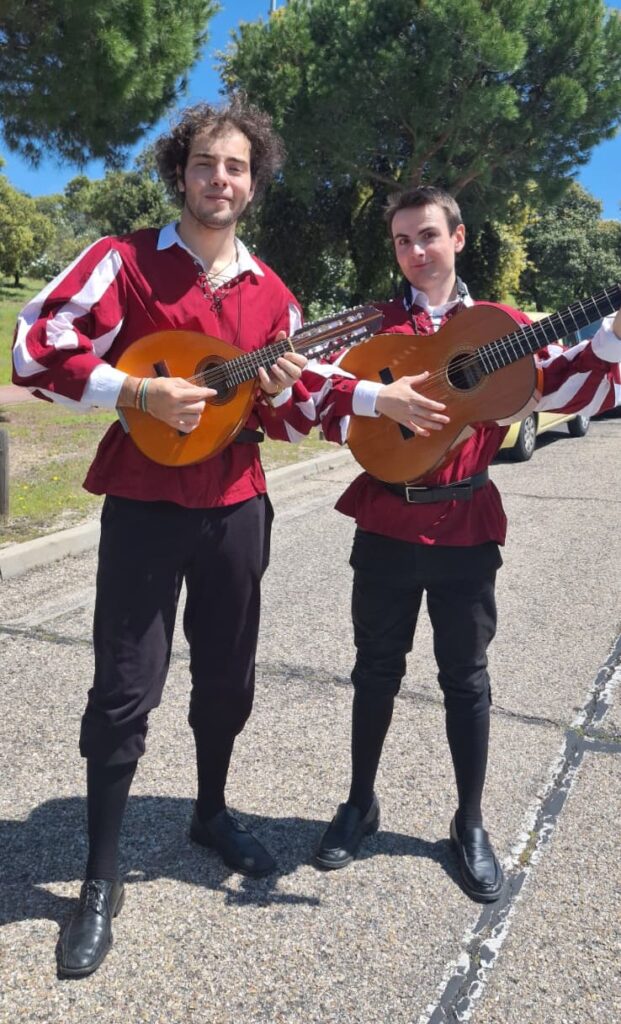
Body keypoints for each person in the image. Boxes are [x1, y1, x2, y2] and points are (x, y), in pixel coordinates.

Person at [12, 97, 315, 978]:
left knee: (227, 676)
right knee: (122, 689)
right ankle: (98, 879)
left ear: (253, 185)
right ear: (179, 172)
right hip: (144, 501)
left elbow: (292, 419)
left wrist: (285, 385)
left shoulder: (275, 296)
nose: (219, 180)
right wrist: (134, 392)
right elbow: (38, 346)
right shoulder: (125, 259)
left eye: (236, 168)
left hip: (237, 504)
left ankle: (209, 812)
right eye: (204, 164)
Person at [301, 186, 621, 901]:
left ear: (458, 238)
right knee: (374, 669)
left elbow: (565, 386)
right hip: (384, 518)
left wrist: (611, 337)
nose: (415, 252)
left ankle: (468, 823)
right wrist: (374, 400)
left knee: (465, 678)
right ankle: (359, 803)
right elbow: (321, 400)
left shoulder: (498, 323)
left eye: (427, 237)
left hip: (463, 524)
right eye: (402, 241)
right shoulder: (377, 327)